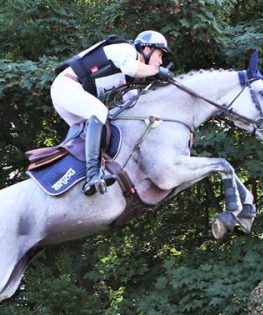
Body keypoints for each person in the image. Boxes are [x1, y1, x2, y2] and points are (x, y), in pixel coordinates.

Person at [51, 30, 173, 196]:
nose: (160, 62)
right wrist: (157, 72)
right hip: (66, 87)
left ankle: (78, 178)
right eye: (160, 55)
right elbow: (132, 68)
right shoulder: (126, 50)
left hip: (69, 93)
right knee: (100, 112)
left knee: (99, 132)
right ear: (146, 49)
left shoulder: (127, 79)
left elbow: (134, 106)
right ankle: (93, 175)